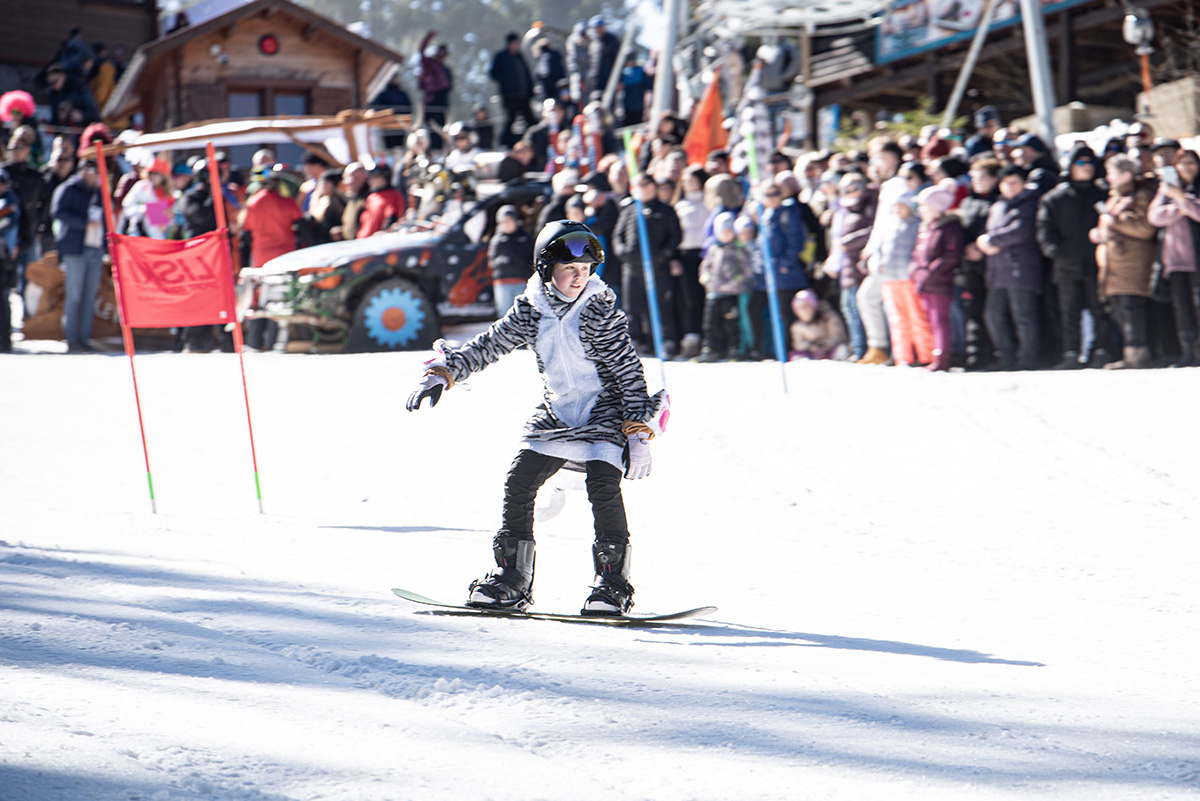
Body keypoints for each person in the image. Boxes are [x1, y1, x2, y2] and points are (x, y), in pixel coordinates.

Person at [405, 220, 670, 615]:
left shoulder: (599, 310)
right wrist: (446, 372)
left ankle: (612, 584)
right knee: (519, 481)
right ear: (547, 269)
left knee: (602, 486)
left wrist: (637, 430)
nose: (579, 278)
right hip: (557, 413)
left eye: (585, 270)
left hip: (605, 414)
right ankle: (512, 577)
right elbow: (491, 344)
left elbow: (628, 370)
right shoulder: (532, 309)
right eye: (569, 269)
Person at [1036, 145, 1109, 369]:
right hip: (1066, 265)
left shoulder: (1103, 194)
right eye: (1081, 162)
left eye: (1091, 162)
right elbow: (1045, 231)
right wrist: (1057, 252)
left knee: (1100, 310)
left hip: (1097, 264)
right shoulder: (1055, 197)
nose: (1087, 167)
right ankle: (1071, 353)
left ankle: (1102, 350)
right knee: (1069, 313)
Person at [1091, 154, 1158, 369]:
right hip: (1114, 264)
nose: (1108, 178)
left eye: (1112, 173)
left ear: (1127, 174)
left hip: (1133, 261)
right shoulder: (1116, 197)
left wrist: (1114, 221)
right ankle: (1128, 353)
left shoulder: (1142, 194)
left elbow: (1144, 228)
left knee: (1132, 308)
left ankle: (1138, 355)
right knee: (1119, 309)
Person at [978, 165, 1043, 370]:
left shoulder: (1030, 203)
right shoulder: (998, 206)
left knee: (1024, 315)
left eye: (1015, 182)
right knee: (993, 314)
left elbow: (1022, 230)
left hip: (1020, 267)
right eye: (1006, 182)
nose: (1010, 186)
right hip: (997, 270)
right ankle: (1005, 356)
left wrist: (991, 240)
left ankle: (1028, 358)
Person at [614, 173, 683, 356]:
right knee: (632, 309)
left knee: (662, 307)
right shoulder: (630, 210)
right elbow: (618, 235)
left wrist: (663, 255)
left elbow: (675, 236)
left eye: (643, 185)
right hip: (632, 268)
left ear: (652, 186)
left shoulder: (665, 210)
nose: (639, 190)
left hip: (657, 268)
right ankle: (634, 341)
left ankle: (665, 342)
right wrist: (623, 252)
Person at [1147, 148, 1200, 367]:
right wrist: (1183, 205)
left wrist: (1181, 199)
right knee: (1182, 307)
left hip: (1197, 259)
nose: (1186, 167)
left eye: (1191, 162)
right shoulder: (1167, 188)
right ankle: (1188, 352)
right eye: (1182, 163)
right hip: (1175, 260)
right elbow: (1154, 216)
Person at [240, 169, 302, 351]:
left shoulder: (253, 203)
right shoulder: (287, 202)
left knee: (259, 299)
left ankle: (254, 343)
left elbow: (247, 230)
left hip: (261, 258)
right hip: (285, 257)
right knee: (281, 298)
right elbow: (299, 223)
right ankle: (274, 342)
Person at [50, 159, 105, 353]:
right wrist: (84, 224)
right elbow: (58, 212)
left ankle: (84, 338)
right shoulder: (68, 188)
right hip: (75, 248)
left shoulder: (98, 191)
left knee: (90, 296)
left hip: (95, 247)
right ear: (84, 172)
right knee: (74, 295)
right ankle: (72, 339)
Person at [910, 185, 963, 371]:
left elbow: (951, 255)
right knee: (931, 319)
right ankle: (935, 352)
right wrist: (916, 271)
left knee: (940, 319)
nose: (921, 210)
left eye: (924, 206)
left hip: (940, 280)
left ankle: (943, 356)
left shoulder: (949, 227)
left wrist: (931, 272)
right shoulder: (927, 227)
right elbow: (918, 254)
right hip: (924, 281)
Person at [825, 172, 875, 361]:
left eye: (856, 188)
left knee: (858, 308)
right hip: (845, 265)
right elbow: (836, 241)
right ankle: (857, 347)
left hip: (859, 264)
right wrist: (833, 261)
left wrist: (849, 242)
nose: (851, 192)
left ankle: (865, 348)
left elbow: (872, 232)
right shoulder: (843, 211)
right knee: (849, 308)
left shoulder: (868, 207)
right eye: (846, 189)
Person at [696, 211, 754, 361]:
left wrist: (735, 281)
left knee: (731, 321)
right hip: (714, 292)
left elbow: (746, 269)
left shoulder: (738, 249)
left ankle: (733, 347)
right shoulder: (713, 249)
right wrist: (706, 277)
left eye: (729, 232)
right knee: (711, 322)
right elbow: (705, 266)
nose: (726, 235)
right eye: (723, 232)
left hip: (731, 292)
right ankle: (711, 348)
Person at [489, 33, 536, 148]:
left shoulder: (520, 57)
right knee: (510, 120)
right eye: (517, 43)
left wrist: (530, 90)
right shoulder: (501, 56)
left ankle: (534, 140)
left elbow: (527, 75)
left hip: (523, 95)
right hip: (509, 96)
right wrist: (506, 82)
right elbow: (493, 73)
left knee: (530, 119)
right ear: (510, 43)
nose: (518, 45)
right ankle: (505, 144)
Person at [488, 205, 534, 316]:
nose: (507, 224)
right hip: (503, 282)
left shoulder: (526, 238)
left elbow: (531, 259)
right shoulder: (497, 240)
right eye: (503, 222)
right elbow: (492, 261)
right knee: (505, 315)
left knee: (523, 314)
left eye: (509, 221)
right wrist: (504, 263)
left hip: (522, 281)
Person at [789, 288, 848, 360]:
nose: (805, 311)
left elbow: (838, 335)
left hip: (830, 349)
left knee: (842, 349)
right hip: (812, 354)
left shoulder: (828, 317)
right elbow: (798, 344)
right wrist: (812, 347)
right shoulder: (797, 326)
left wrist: (825, 346)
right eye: (801, 309)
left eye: (807, 307)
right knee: (796, 357)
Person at [418, 31, 453, 150]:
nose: (442, 55)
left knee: (443, 128)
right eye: (441, 52)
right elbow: (421, 52)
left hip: (443, 102)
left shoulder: (446, 70)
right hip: (432, 101)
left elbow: (448, 86)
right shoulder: (430, 63)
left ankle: (443, 150)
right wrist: (428, 37)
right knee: (433, 128)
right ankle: (434, 150)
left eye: (445, 53)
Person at [358, 167, 405, 238]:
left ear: (385, 177)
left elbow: (392, 217)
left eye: (375, 177)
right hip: (363, 237)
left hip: (378, 239)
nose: (371, 181)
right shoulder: (371, 196)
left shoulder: (393, 195)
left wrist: (383, 233)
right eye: (369, 178)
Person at [587, 16, 620, 102]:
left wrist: (618, 80)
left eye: (600, 27)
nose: (598, 29)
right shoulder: (592, 42)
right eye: (596, 28)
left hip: (610, 81)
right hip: (595, 82)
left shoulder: (612, 40)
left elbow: (618, 62)